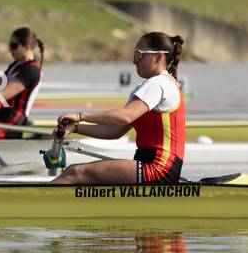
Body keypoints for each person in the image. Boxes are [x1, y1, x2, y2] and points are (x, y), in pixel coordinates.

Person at [52, 33, 186, 185]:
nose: (134, 61)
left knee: (75, 172)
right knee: (79, 173)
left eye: (138, 55)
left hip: (158, 168)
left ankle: (38, 198)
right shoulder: (154, 86)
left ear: (158, 57)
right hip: (151, 166)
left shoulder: (159, 83)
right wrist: (75, 128)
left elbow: (125, 116)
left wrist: (80, 116)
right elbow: (115, 131)